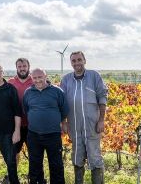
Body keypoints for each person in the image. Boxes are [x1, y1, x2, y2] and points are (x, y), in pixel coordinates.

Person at [60, 51, 108, 184]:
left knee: (95, 158)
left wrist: (101, 120)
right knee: (77, 157)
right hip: (74, 127)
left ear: (84, 60)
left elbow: (102, 97)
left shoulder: (94, 76)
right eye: (73, 61)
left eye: (79, 60)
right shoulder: (66, 79)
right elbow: (62, 102)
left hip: (93, 126)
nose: (76, 63)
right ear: (71, 63)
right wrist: (64, 122)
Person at [23, 68, 69, 184]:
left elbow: (64, 110)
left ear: (46, 76)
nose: (38, 80)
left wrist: (62, 123)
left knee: (56, 165)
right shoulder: (28, 92)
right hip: (34, 135)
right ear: (31, 78)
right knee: (35, 165)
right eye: (35, 78)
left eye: (40, 77)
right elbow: (26, 109)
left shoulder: (57, 91)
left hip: (53, 135)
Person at [7, 58, 33, 162]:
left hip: (31, 124)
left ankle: (34, 176)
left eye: (24, 66)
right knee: (14, 152)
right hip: (14, 125)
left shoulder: (35, 81)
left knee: (34, 152)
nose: (22, 69)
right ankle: (12, 175)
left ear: (28, 67)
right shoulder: (10, 82)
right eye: (20, 66)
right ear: (16, 68)